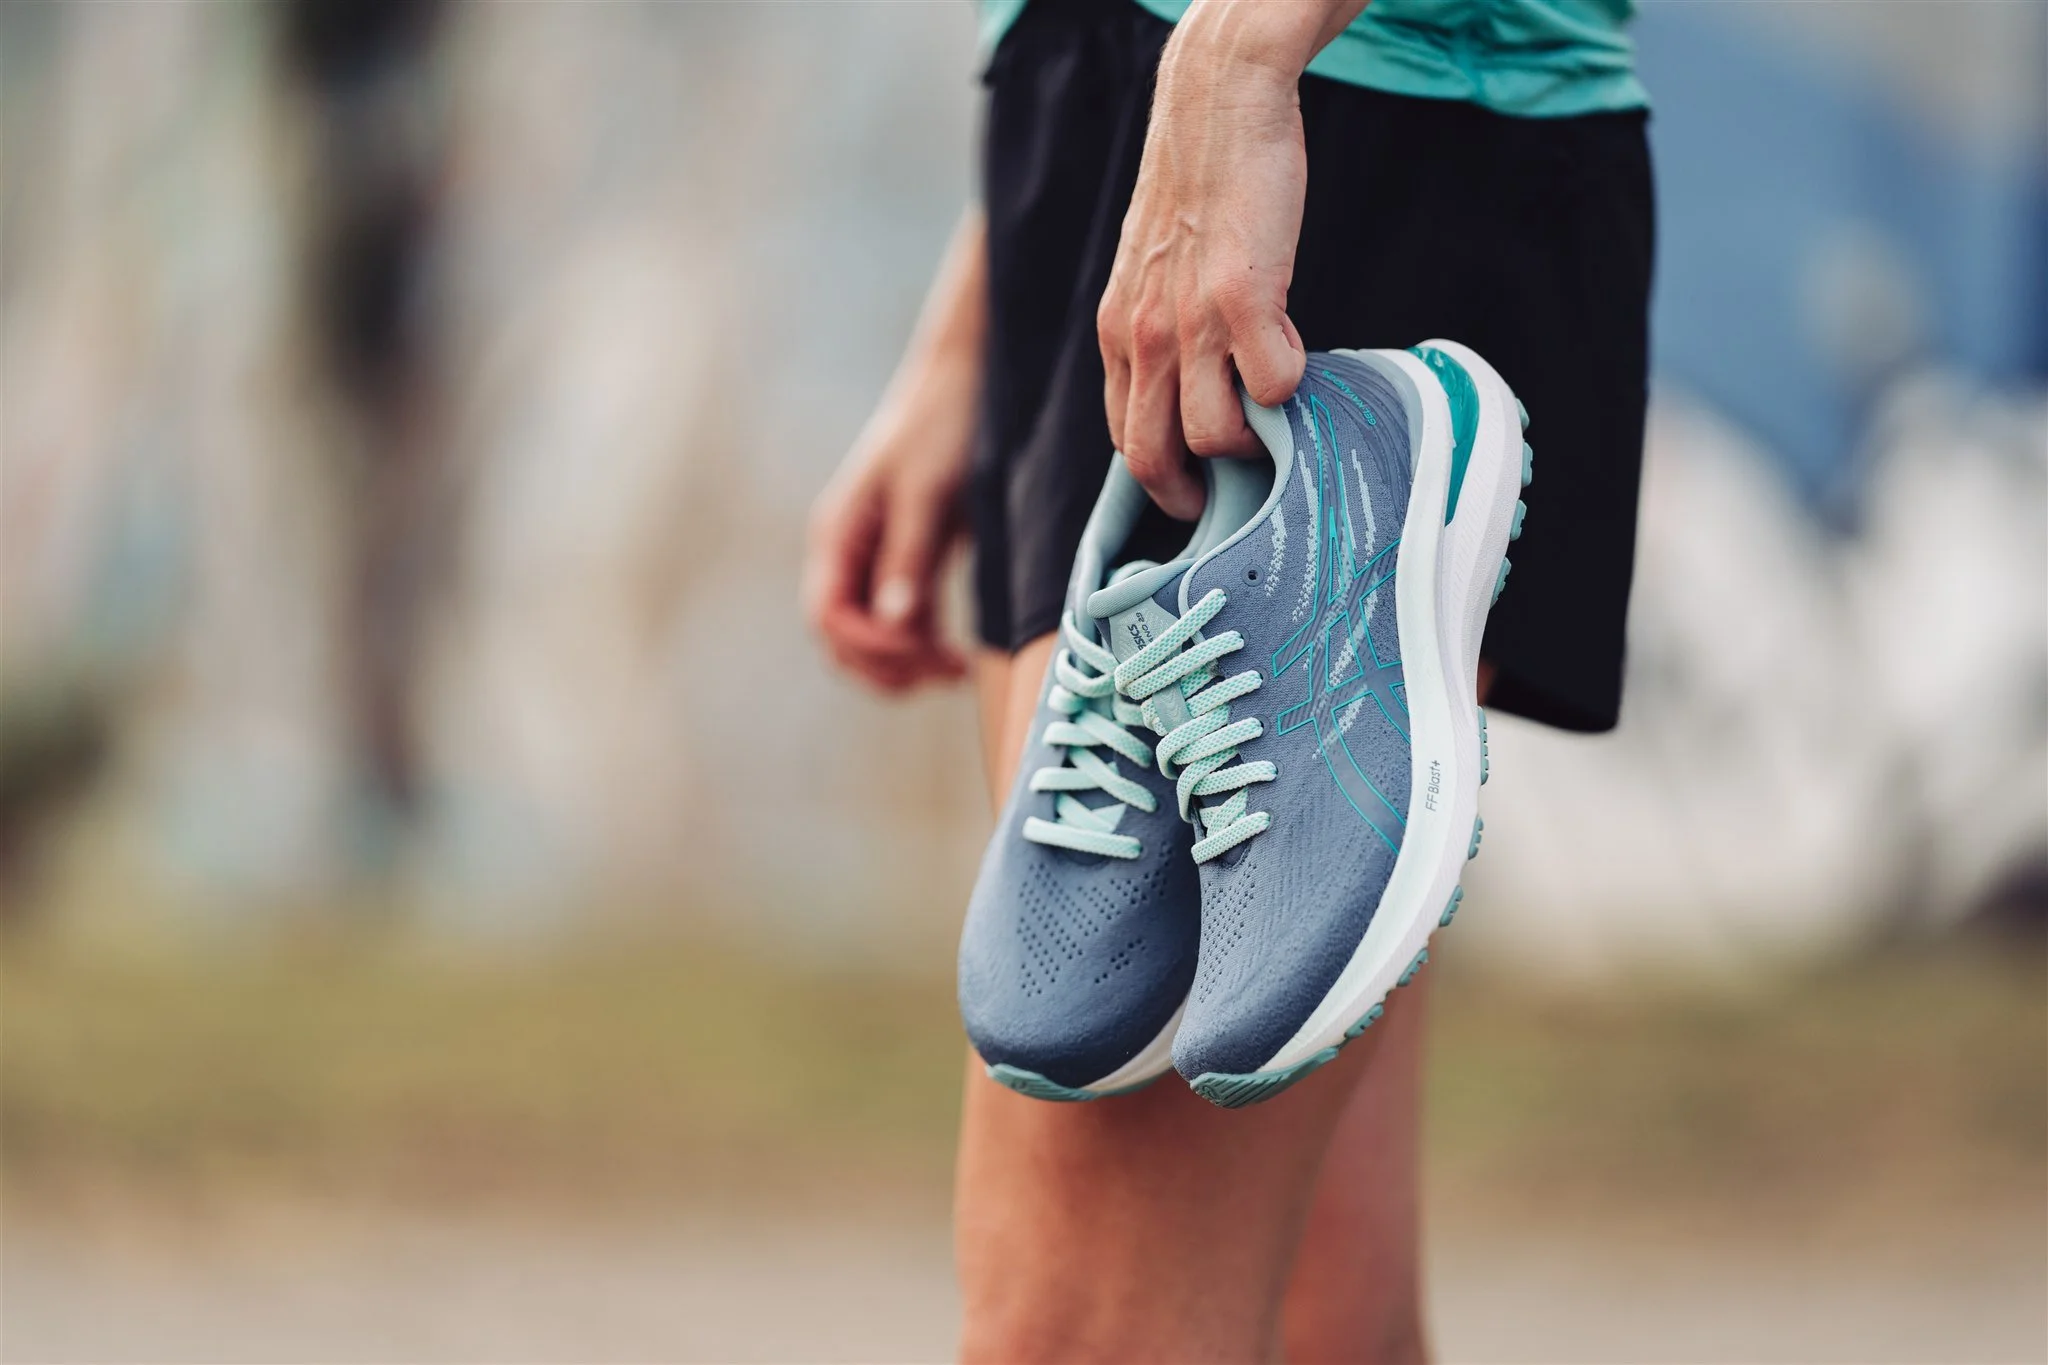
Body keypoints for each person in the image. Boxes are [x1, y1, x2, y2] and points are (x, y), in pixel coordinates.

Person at [805, 0, 1652, 1356]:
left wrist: (1242, 54)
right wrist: (980, 314)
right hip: (1146, 123)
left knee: (1083, 1333)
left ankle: (1374, 460)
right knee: (1326, 1317)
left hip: (1345, 105)